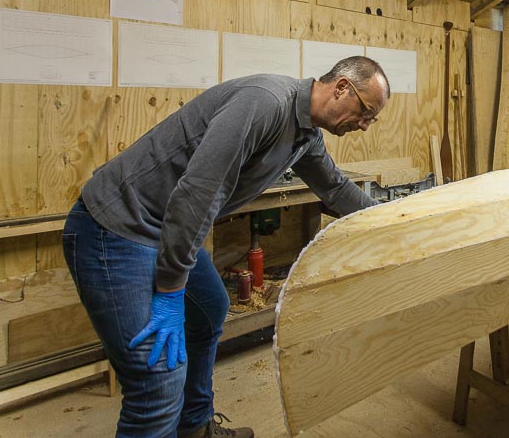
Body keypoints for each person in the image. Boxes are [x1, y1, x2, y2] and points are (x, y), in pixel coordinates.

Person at [62, 56, 390, 437]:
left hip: (164, 225)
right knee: (156, 381)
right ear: (341, 88)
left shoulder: (305, 135)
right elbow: (199, 192)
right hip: (116, 226)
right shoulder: (265, 102)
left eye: (372, 119)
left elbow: (334, 187)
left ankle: (194, 427)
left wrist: (396, 216)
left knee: (209, 310)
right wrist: (170, 290)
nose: (365, 125)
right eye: (366, 112)